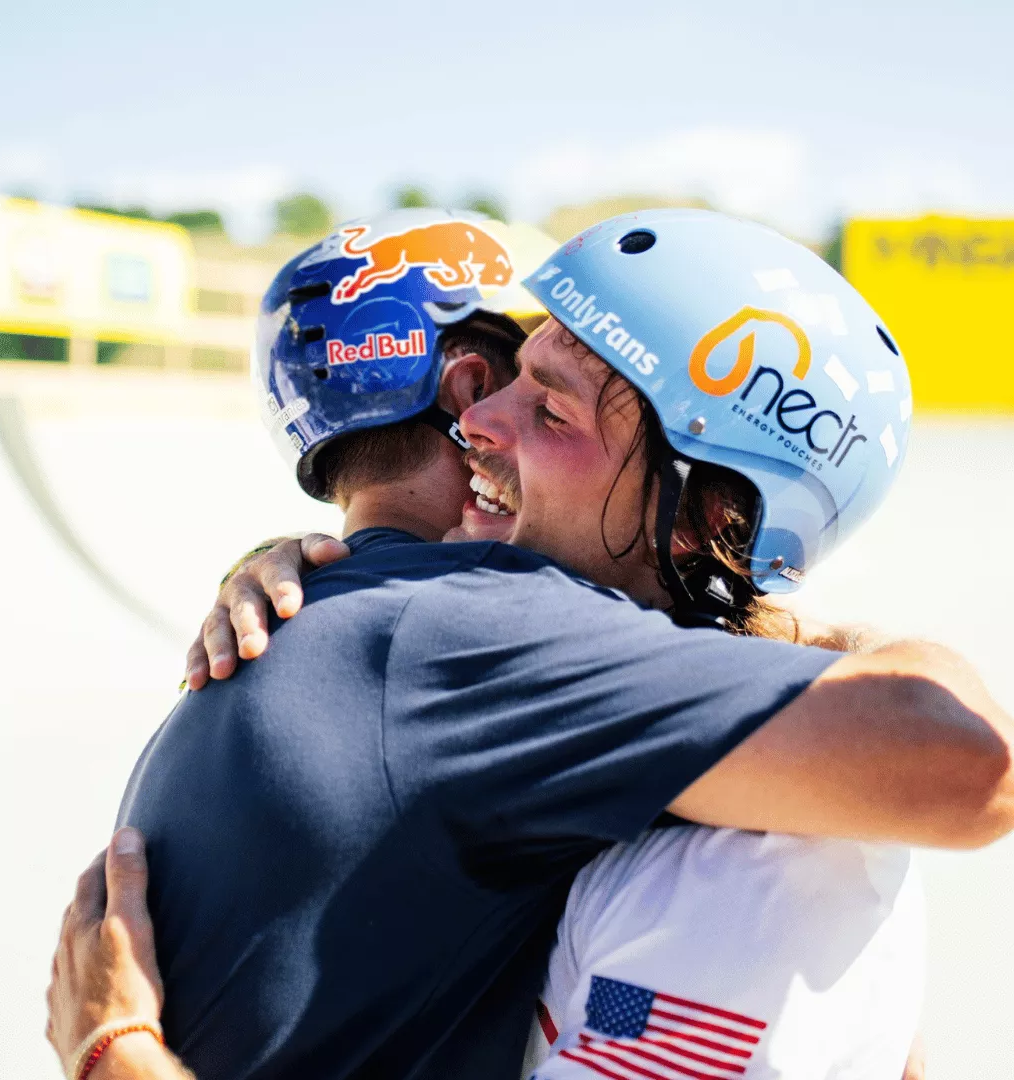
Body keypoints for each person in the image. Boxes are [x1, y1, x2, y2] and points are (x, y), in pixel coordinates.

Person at [50, 209, 1011, 1080]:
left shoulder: (357, 617)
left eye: (547, 406)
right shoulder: (482, 637)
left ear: (700, 513)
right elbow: (977, 766)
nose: (481, 420)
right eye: (510, 377)